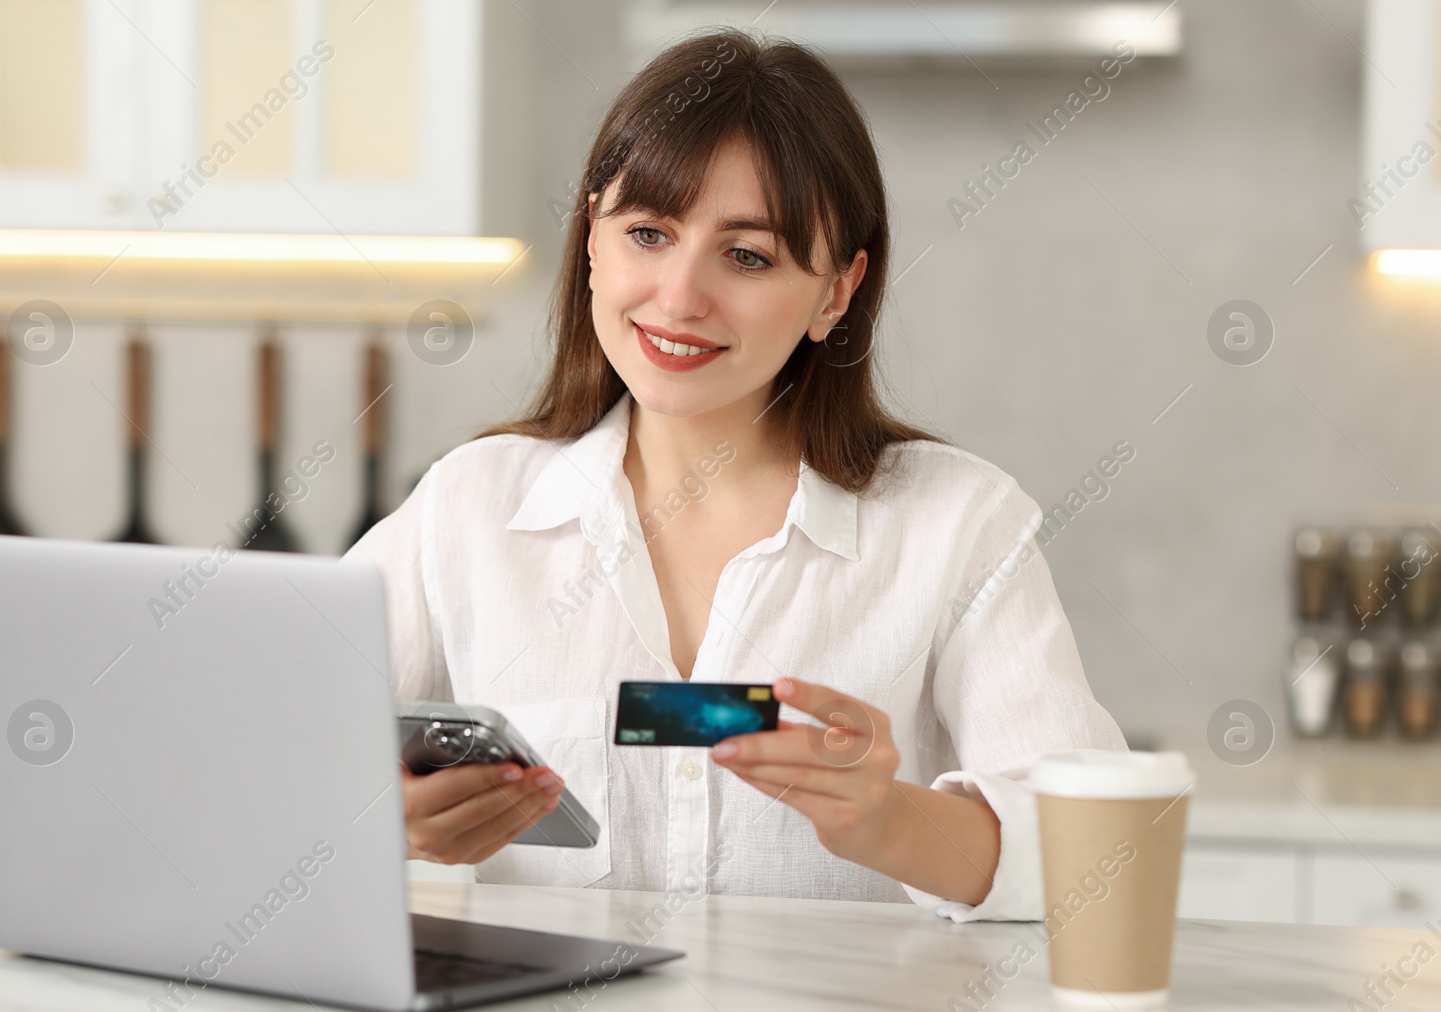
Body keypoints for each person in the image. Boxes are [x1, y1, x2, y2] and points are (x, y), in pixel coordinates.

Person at [347, 28, 1124, 921]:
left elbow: (1100, 854)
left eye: (747, 255)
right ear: (593, 237)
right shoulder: (469, 507)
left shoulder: (958, 525)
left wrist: (890, 819)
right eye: (647, 233)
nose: (679, 297)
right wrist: (382, 817)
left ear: (837, 289)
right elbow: (248, 747)